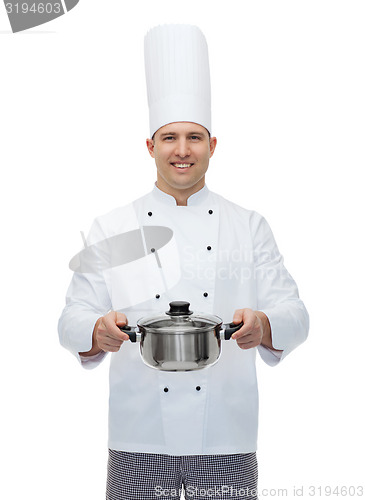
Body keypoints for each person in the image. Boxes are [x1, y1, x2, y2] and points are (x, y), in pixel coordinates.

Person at [58, 24, 309, 500]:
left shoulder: (248, 225)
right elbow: (70, 318)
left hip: (226, 438)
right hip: (138, 437)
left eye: (195, 137)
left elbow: (296, 315)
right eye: (169, 137)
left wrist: (265, 323)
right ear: (150, 147)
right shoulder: (112, 227)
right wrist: (95, 330)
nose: (182, 150)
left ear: (213, 146)